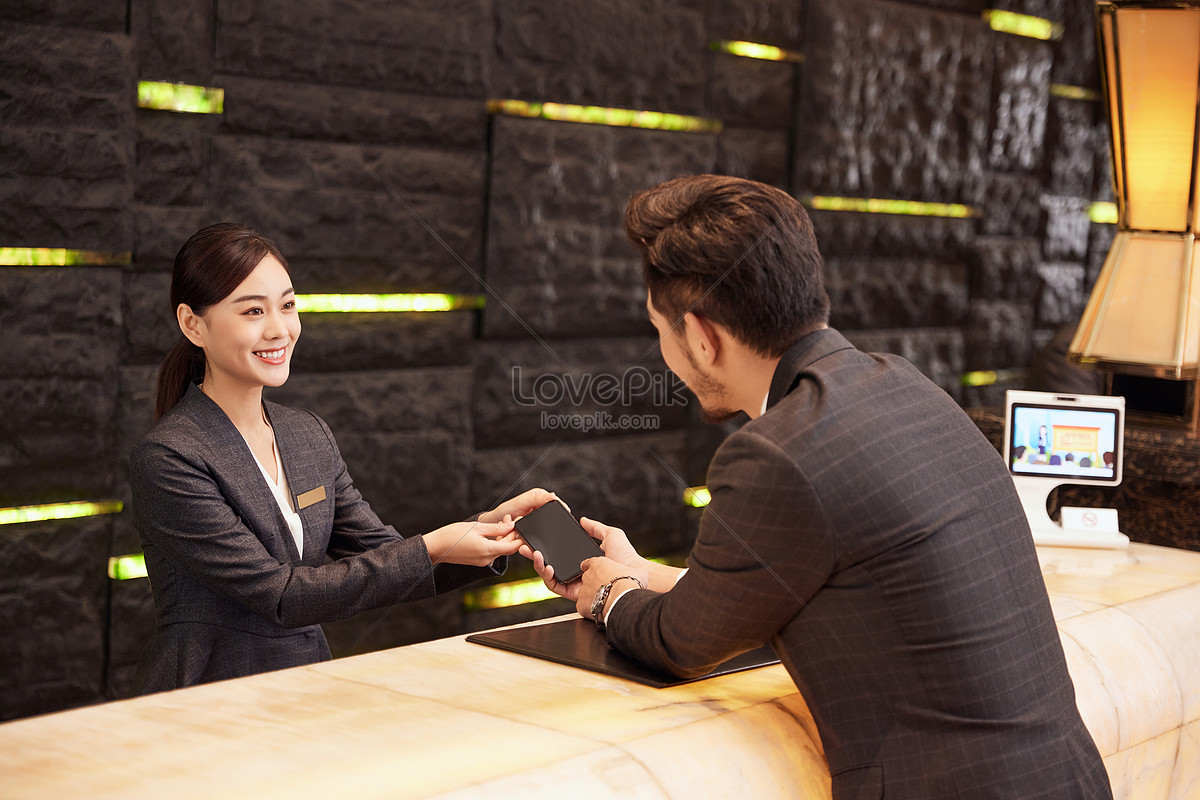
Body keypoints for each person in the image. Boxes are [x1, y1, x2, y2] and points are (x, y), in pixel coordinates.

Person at [524, 176, 1113, 799]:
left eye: (660, 331)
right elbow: (783, 585)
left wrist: (607, 593)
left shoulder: (776, 452)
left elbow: (680, 642)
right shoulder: (903, 384)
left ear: (700, 336)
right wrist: (644, 574)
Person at [131, 222, 551, 694]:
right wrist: (434, 544)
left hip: (304, 688)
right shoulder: (170, 457)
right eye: (253, 310)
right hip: (206, 698)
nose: (280, 329)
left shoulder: (306, 434)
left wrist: (485, 530)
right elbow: (282, 596)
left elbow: (383, 555)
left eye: (288, 306)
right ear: (193, 324)